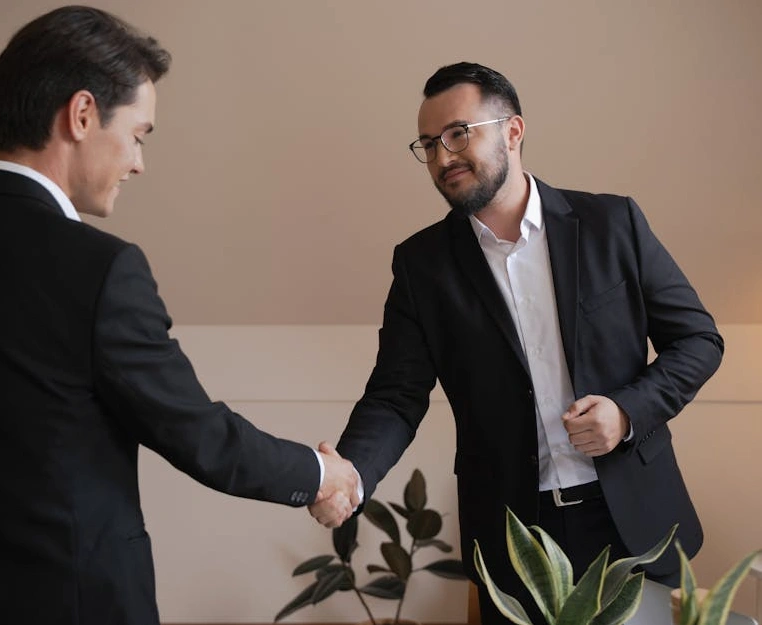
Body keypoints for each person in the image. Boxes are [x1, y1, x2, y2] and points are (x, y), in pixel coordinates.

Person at [0, 6, 358, 625]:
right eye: (138, 135)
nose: (138, 162)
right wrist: (320, 474)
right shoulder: (100, 269)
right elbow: (198, 434)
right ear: (81, 115)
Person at [308, 62, 723, 625]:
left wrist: (626, 413)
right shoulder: (421, 265)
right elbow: (394, 396)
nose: (442, 156)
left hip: (632, 520)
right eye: (428, 144)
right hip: (514, 538)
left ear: (513, 130)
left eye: (458, 134)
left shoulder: (612, 222)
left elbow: (698, 340)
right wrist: (349, 475)